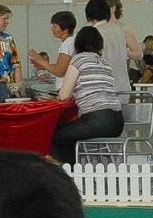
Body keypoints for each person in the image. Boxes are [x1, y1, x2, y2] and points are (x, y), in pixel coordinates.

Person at [51, 26, 124, 166]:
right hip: (117, 121)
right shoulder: (105, 63)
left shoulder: (79, 59)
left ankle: (70, 175)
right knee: (69, 135)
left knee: (56, 135)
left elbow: (63, 95)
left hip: (97, 120)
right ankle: (78, 172)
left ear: (78, 43)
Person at [85, 0, 130, 93]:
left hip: (104, 90)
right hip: (123, 87)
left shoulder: (94, 32)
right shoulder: (118, 29)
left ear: (89, 15)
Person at [28, 10, 76, 90]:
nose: (52, 29)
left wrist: (42, 61)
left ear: (65, 30)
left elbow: (59, 71)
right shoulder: (73, 40)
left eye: (55, 26)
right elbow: (64, 67)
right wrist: (44, 66)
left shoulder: (67, 44)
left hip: (66, 89)